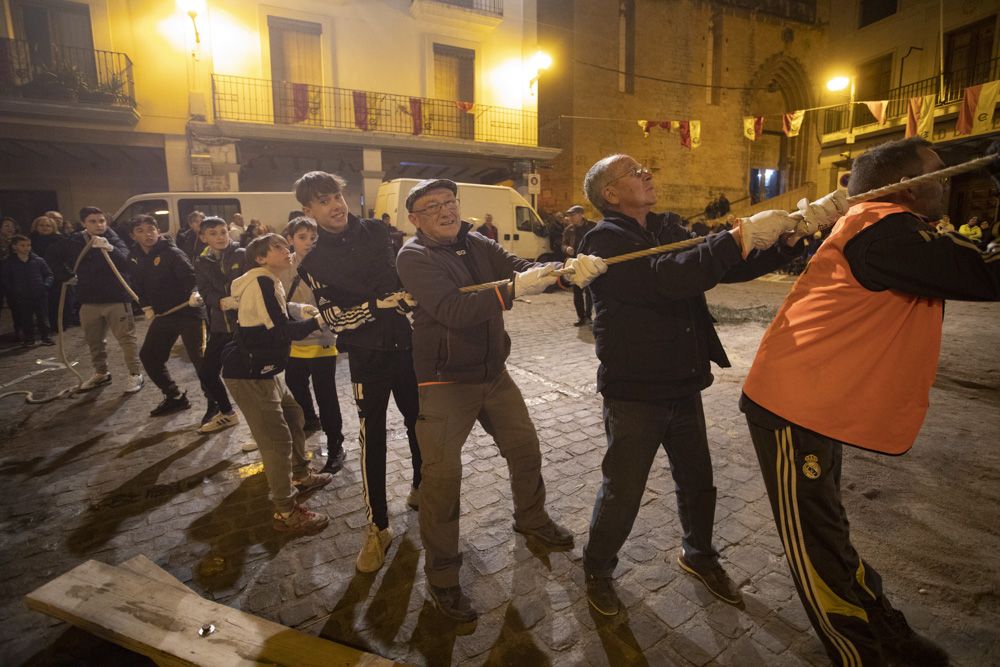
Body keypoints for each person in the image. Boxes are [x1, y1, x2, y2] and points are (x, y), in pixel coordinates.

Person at [740, 137, 1000, 667]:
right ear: (902, 185)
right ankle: (859, 655)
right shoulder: (883, 230)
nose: (948, 182)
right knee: (818, 548)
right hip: (792, 405)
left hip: (818, 402)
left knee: (830, 531)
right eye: (936, 173)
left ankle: (887, 633)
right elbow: (987, 273)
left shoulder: (886, 226)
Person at [577, 154, 825, 617]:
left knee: (698, 482)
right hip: (636, 390)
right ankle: (597, 568)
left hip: (683, 380)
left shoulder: (664, 229)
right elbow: (669, 279)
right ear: (610, 194)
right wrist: (736, 237)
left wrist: (788, 241)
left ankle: (700, 556)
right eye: (634, 172)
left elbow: (722, 267)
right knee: (623, 489)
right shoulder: (605, 240)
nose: (647, 173)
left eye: (646, 168)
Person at [396, 178, 607, 622]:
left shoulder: (475, 242)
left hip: (493, 372)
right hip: (444, 381)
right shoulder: (413, 257)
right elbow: (453, 309)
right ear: (415, 219)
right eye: (432, 206)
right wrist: (512, 290)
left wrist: (566, 269)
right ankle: (443, 578)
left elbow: (520, 265)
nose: (445, 210)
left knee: (525, 448)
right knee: (441, 479)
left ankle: (531, 518)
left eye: (449, 202)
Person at [294, 171, 424, 574]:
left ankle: (422, 485)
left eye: (336, 194)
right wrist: (379, 306)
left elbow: (405, 274)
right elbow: (335, 318)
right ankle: (378, 527)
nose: (334, 204)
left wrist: (411, 301)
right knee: (373, 438)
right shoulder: (312, 262)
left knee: (420, 421)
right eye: (322, 200)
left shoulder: (377, 231)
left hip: (409, 346)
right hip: (367, 357)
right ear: (308, 210)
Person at [222, 233, 360, 532]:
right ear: (260, 257)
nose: (287, 251)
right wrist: (321, 320)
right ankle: (285, 510)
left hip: (265, 369)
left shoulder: (267, 279)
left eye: (287, 246)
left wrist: (300, 310)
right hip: (249, 373)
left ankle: (301, 473)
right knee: (276, 441)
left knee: (294, 415)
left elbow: (276, 312)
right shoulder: (261, 281)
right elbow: (281, 332)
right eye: (278, 248)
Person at [47, 206, 143, 393]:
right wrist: (65, 275)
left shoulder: (114, 239)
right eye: (93, 221)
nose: (99, 225)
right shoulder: (74, 241)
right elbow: (51, 255)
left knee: (126, 339)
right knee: (94, 340)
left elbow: (126, 262)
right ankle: (101, 373)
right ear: (84, 223)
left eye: (102, 221)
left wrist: (110, 248)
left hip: (116, 299)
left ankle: (135, 373)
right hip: (88, 300)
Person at [128, 215, 213, 419]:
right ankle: (174, 396)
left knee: (200, 360)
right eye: (141, 230)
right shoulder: (134, 257)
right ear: (133, 235)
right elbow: (137, 283)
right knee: (149, 356)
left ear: (158, 231)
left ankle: (215, 403)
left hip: (189, 313)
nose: (147, 234)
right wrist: (146, 305)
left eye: (151, 229)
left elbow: (193, 278)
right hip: (165, 315)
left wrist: (195, 293)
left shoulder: (172, 253)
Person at [281, 217, 346, 475]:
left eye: (313, 238)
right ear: (290, 239)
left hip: (322, 338)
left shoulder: (329, 265)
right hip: (295, 339)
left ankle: (336, 444)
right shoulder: (284, 266)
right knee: (295, 383)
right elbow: (277, 298)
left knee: (326, 393)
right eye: (302, 237)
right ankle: (310, 419)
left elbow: (340, 298)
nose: (308, 243)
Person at [192, 216, 243, 434]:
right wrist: (219, 302)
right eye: (213, 233)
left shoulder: (242, 254)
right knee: (207, 372)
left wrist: (240, 299)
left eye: (223, 232)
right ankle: (227, 412)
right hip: (220, 326)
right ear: (203, 238)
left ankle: (263, 426)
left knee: (248, 379)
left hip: (244, 325)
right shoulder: (202, 261)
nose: (220, 237)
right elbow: (204, 288)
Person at [1, 234, 54, 346]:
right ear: (15, 246)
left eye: (28, 245)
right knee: (26, 318)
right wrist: (13, 291)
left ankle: (46, 337)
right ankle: (29, 339)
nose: (26, 248)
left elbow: (48, 274)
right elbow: (6, 279)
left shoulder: (38, 260)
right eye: (23, 245)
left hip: (39, 293)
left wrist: (45, 286)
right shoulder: (9, 263)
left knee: (43, 316)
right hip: (22, 295)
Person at [561, 205, 596, 326]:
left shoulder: (592, 226)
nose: (570, 218)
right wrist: (567, 248)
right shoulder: (569, 229)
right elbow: (563, 244)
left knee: (589, 290)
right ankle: (581, 317)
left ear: (581, 214)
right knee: (577, 291)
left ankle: (588, 316)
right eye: (569, 215)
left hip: (588, 262)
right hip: (575, 263)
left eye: (573, 215)